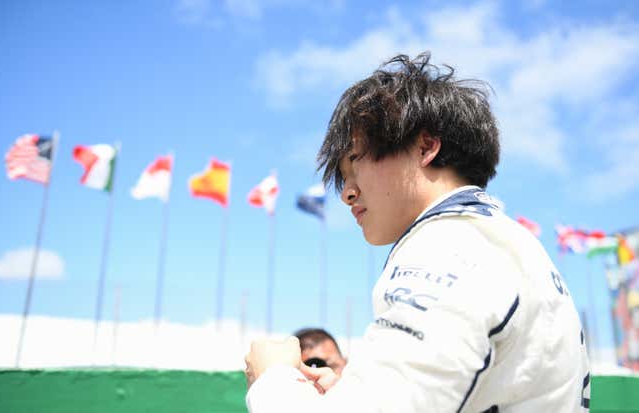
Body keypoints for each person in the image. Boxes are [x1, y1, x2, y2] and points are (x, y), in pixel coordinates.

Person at [245, 52, 590, 412]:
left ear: (425, 146)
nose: (347, 193)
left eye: (355, 162)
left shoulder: (446, 246)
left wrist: (272, 379)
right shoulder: (507, 242)